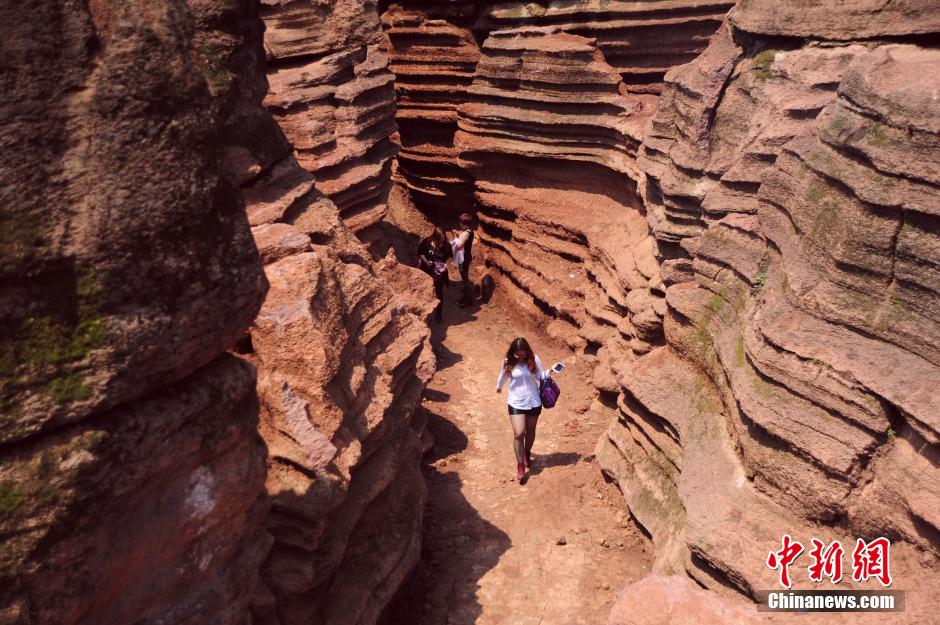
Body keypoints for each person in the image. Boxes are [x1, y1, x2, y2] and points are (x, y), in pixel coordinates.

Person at [496, 337, 549, 482]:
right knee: (519, 433)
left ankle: (526, 453)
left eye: (522, 354)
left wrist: (550, 371)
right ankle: (520, 465)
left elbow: (540, 376)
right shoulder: (508, 361)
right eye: (517, 354)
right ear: (513, 352)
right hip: (516, 402)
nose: (520, 357)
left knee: (530, 431)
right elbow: (503, 375)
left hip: (533, 401)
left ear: (527, 351)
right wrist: (499, 386)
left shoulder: (534, 359)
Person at [417, 228, 452, 322]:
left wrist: (445, 265)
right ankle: (423, 314)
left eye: (443, 239)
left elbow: (449, 257)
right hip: (426, 270)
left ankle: (438, 314)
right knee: (425, 291)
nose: (442, 241)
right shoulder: (427, 242)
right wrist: (426, 262)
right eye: (440, 239)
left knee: (439, 293)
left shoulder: (447, 245)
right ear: (435, 237)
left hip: (439, 273)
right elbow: (420, 253)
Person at [452, 213, 475, 307]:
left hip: (463, 259)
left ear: (464, 223)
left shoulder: (465, 234)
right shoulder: (470, 231)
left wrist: (455, 236)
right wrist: (458, 233)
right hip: (467, 257)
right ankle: (467, 296)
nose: (460, 224)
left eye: (461, 222)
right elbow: (464, 236)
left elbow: (458, 246)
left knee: (465, 279)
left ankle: (467, 300)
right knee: (465, 278)